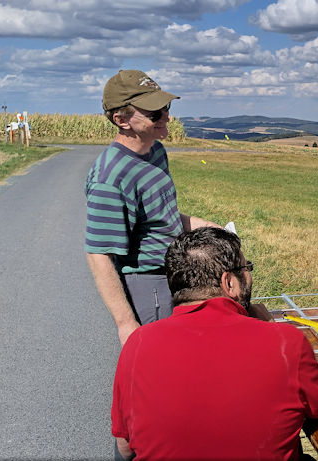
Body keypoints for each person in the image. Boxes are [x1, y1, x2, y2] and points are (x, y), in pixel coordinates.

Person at [111, 227, 318, 460]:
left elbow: (125, 447)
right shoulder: (287, 343)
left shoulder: (137, 343)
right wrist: (271, 327)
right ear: (229, 283)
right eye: (246, 268)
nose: (249, 274)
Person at [85, 69, 219, 346]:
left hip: (176, 274)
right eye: (154, 113)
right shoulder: (110, 178)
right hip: (149, 285)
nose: (166, 116)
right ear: (121, 120)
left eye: (166, 107)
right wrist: (126, 324)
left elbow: (162, 217)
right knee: (158, 361)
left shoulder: (155, 151)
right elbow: (99, 255)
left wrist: (211, 229)